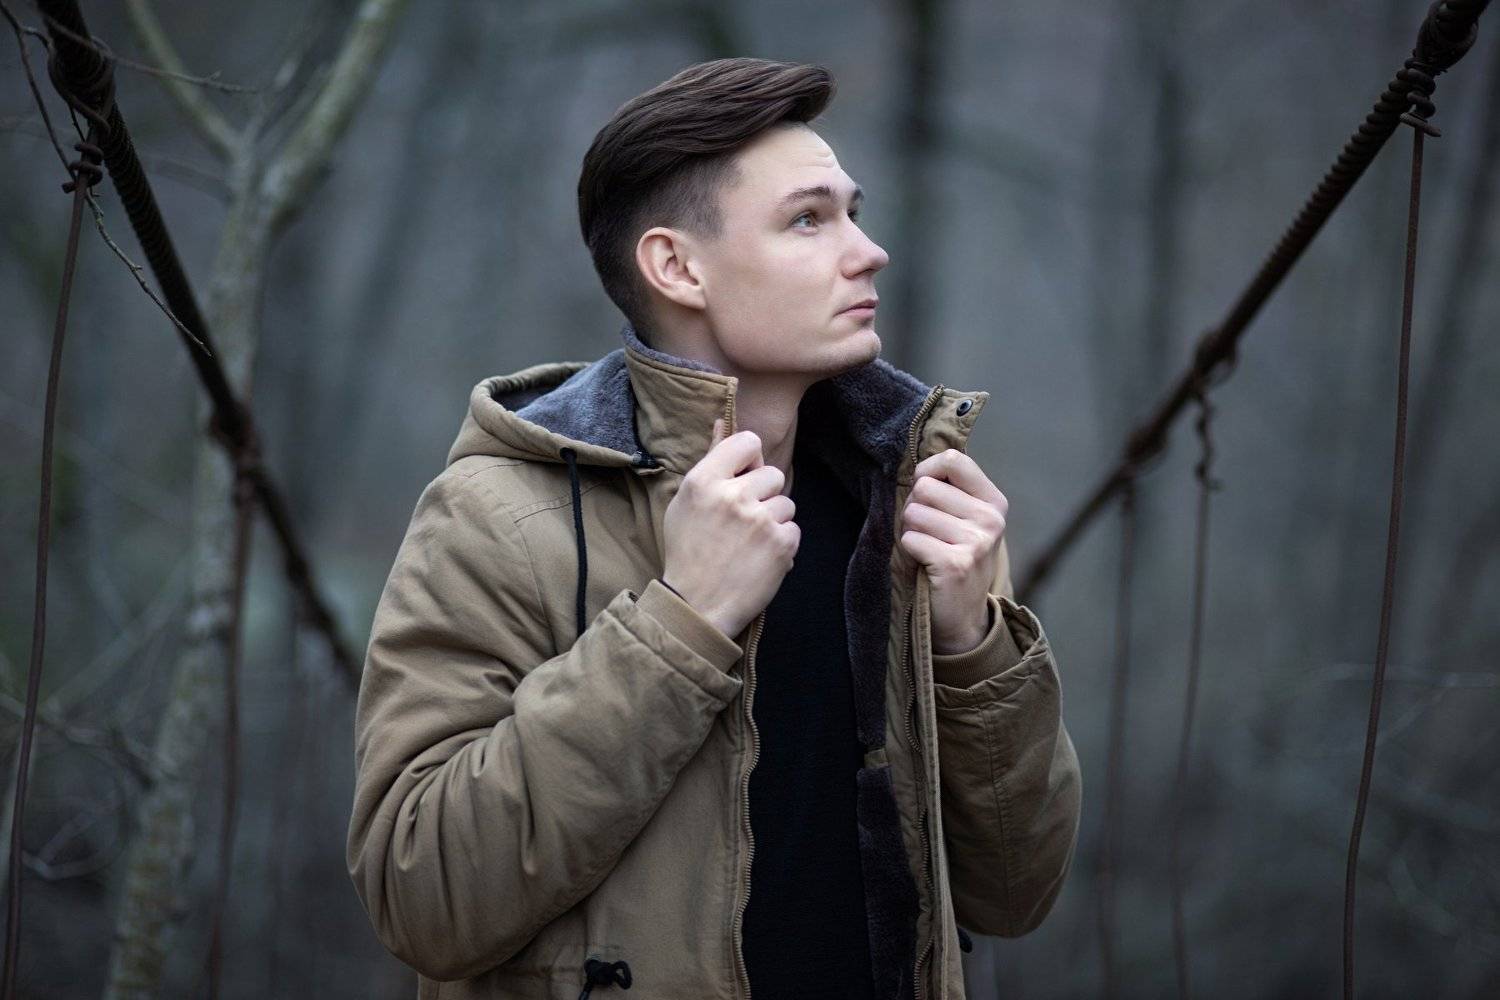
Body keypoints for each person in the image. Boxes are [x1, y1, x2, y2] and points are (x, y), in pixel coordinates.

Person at [346, 56, 1081, 1000]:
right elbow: (422, 899)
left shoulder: (915, 510)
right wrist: (679, 622)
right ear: (677, 267)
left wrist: (974, 646)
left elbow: (1016, 893)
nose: (868, 251)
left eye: (853, 213)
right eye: (808, 220)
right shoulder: (493, 514)